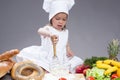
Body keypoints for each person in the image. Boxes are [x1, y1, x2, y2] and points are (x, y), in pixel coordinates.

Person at [16, 0, 83, 73]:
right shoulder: (48, 29)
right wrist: (50, 34)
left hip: (61, 57)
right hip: (47, 56)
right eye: (57, 19)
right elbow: (39, 30)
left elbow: (66, 43)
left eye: (64, 19)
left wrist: (68, 49)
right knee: (45, 68)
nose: (61, 21)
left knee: (78, 62)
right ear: (51, 18)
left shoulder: (65, 31)